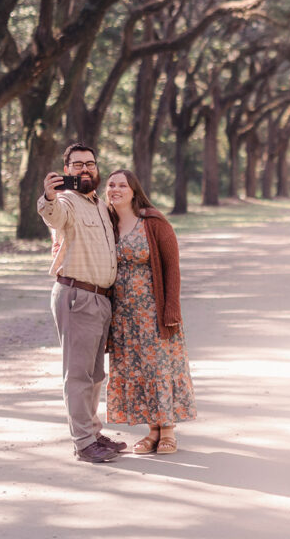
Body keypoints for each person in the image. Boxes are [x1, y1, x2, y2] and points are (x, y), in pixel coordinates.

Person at [38, 143, 127, 463]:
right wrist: (48, 197)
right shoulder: (67, 201)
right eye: (77, 165)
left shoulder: (101, 206)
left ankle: (92, 431)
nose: (85, 169)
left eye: (90, 164)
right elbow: (53, 215)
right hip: (77, 296)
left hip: (101, 300)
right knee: (78, 374)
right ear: (67, 171)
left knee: (95, 374)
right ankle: (83, 442)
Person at [105, 169, 196, 454]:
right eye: (111, 185)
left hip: (153, 313)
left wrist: (171, 310)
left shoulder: (153, 222)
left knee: (159, 368)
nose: (115, 189)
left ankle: (168, 430)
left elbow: (172, 268)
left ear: (134, 191)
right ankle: (151, 432)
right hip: (123, 316)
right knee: (137, 370)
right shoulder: (107, 224)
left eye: (122, 185)